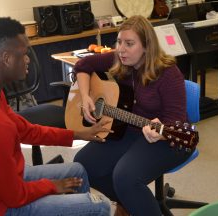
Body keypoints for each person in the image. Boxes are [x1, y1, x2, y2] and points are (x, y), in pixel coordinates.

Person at [0, 17, 112, 216]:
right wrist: (51, 186)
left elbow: (26, 130)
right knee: (100, 205)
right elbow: (15, 197)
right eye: (24, 54)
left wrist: (78, 134)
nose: (28, 60)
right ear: (6, 58)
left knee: (77, 170)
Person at [73, 15, 193, 216]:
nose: (121, 49)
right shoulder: (121, 59)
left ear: (146, 46)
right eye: (119, 42)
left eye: (129, 44)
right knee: (83, 165)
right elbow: (83, 65)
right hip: (130, 129)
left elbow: (176, 121)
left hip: (171, 138)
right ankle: (131, 205)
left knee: (125, 176)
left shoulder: (168, 74)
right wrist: (85, 96)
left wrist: (160, 131)